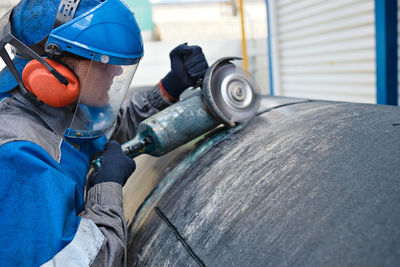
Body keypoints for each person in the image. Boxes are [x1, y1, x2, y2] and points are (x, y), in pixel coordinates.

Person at [0, 0, 208, 266]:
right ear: (54, 71)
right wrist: (105, 190)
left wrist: (168, 89)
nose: (117, 71)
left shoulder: (52, 108)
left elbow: (99, 129)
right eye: (103, 61)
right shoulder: (19, 160)